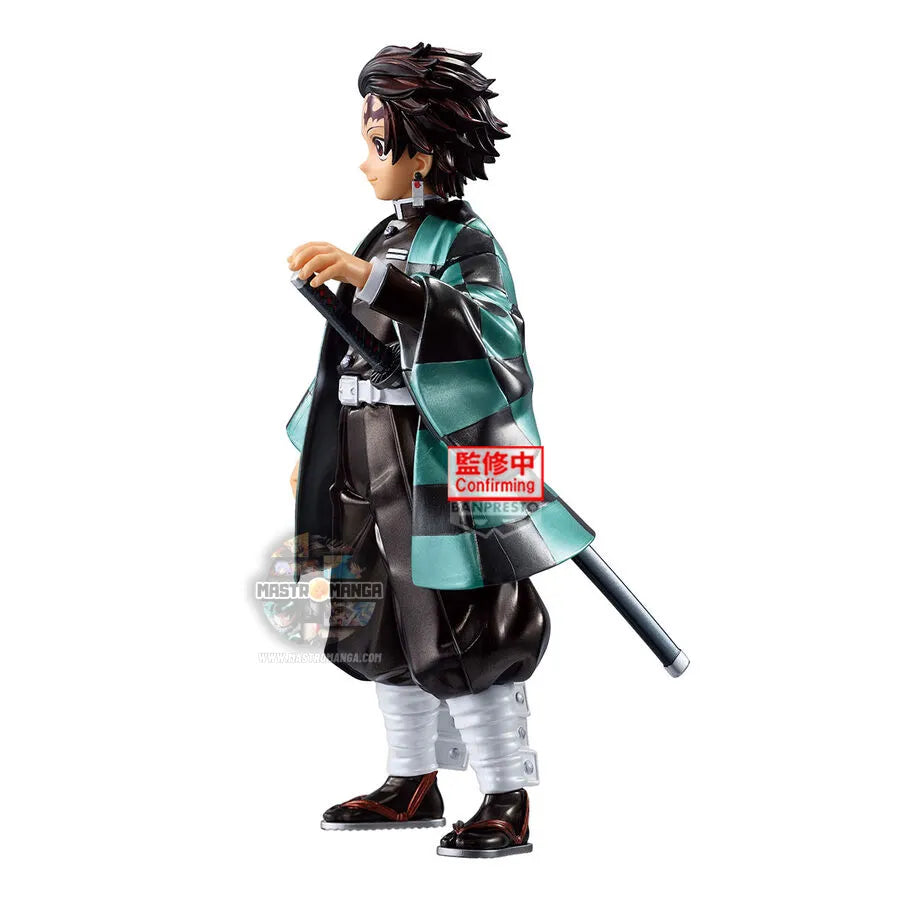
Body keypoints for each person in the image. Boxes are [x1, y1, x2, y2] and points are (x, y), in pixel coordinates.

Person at [285, 43, 593, 858]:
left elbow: (491, 336)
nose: (364, 162)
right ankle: (410, 779)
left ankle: (505, 794)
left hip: (437, 463)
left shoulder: (465, 241)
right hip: (367, 453)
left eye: (376, 141)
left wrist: (378, 282)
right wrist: (317, 447)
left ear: (420, 150)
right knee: (380, 621)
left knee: (461, 622)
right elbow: (343, 356)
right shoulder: (385, 236)